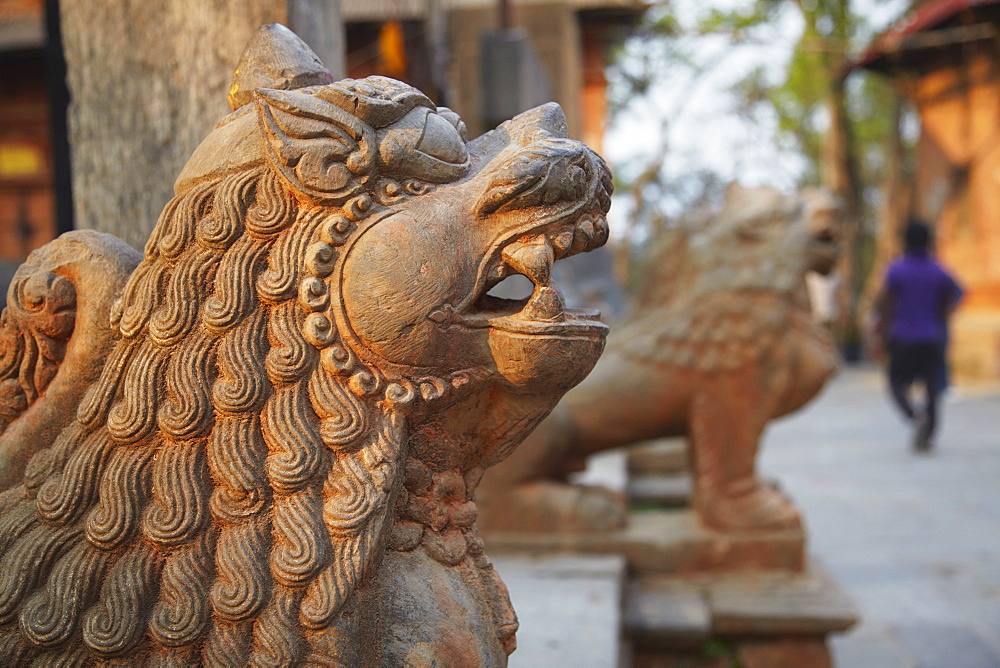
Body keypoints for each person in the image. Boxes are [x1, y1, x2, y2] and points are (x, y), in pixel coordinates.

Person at [876, 219, 963, 452]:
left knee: (896, 384)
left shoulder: (896, 270)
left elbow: (886, 303)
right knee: (931, 388)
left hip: (902, 336)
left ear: (905, 240)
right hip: (931, 337)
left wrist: (883, 332)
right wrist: (942, 316)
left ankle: (914, 416)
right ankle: (928, 435)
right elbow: (958, 293)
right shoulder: (938, 270)